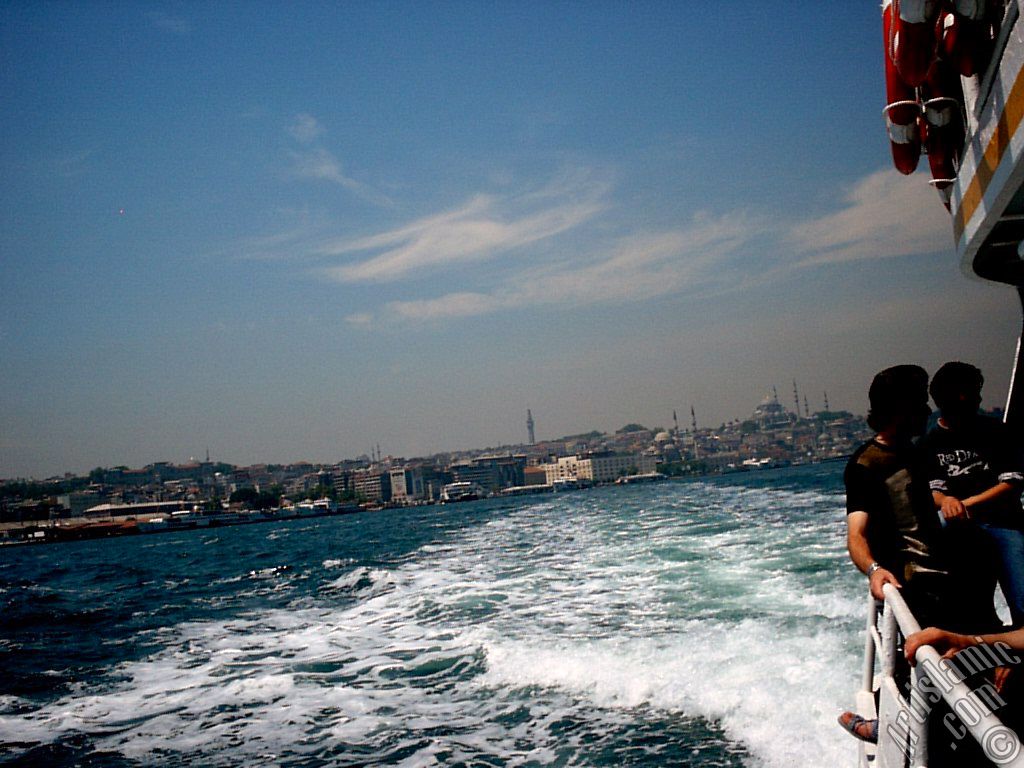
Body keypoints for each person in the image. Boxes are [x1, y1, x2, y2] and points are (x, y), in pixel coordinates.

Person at [838, 365, 1000, 744]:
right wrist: (875, 569)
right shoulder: (866, 467)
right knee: (934, 665)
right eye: (919, 401)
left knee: (978, 660)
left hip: (956, 577)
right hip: (919, 585)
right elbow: (856, 535)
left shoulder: (920, 452)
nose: (928, 409)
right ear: (900, 408)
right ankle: (893, 727)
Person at [920, 361, 1024, 628]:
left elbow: (1012, 484)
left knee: (1021, 595)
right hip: (957, 523)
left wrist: (964, 503)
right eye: (971, 392)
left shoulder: (997, 432)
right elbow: (931, 491)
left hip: (1003, 523)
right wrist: (946, 501)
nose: (977, 398)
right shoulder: (929, 443)